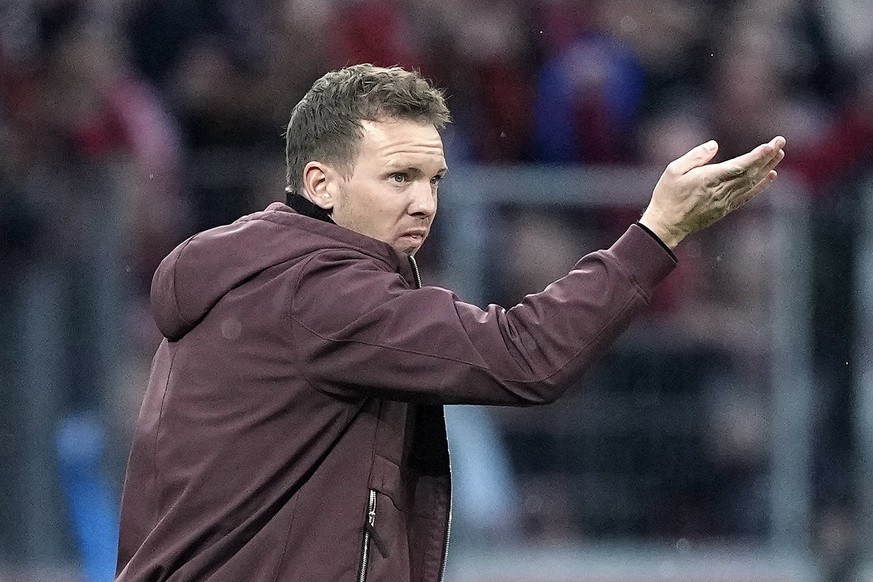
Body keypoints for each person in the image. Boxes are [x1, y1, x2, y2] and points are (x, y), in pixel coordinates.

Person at [115, 64, 786, 581]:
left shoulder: (256, 275)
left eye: (434, 179)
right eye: (399, 177)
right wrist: (655, 234)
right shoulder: (315, 293)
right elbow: (523, 358)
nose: (423, 203)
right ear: (320, 185)